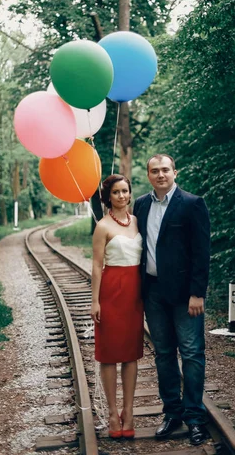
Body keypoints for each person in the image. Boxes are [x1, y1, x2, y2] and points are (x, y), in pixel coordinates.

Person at [133, 154, 211, 446]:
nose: (161, 174)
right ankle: (172, 413)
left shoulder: (192, 204)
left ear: (174, 172)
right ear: (149, 175)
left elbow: (202, 252)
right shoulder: (141, 204)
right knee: (164, 354)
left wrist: (197, 293)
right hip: (153, 292)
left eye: (165, 169)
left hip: (184, 295)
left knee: (191, 354)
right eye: (155, 171)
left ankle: (194, 418)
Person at [91, 174, 143, 439]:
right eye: (116, 192)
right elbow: (97, 267)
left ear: (130, 193)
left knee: (131, 353)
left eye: (125, 191)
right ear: (108, 197)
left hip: (135, 294)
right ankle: (112, 413)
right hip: (111, 292)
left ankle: (129, 411)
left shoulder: (136, 221)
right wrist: (95, 301)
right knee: (109, 353)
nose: (122, 196)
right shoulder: (102, 226)